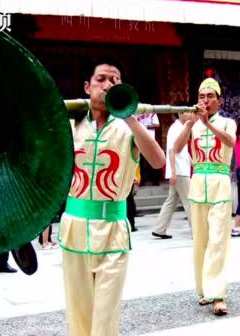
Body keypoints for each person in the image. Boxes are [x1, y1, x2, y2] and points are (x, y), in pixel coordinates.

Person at [57, 58, 165, 336]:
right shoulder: (68, 126)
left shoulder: (129, 128)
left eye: (115, 80)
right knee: (79, 314)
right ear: (87, 86)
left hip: (114, 232)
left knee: (105, 317)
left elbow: (157, 160)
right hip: (75, 230)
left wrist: (129, 114)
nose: (107, 85)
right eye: (101, 79)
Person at [173, 77, 235, 316]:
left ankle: (218, 293)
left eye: (210, 96)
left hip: (220, 184)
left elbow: (230, 141)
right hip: (198, 185)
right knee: (200, 239)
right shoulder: (193, 125)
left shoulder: (228, 123)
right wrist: (189, 125)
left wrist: (207, 123)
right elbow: (177, 149)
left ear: (219, 100)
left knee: (218, 240)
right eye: (201, 96)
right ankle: (203, 290)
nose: (205, 100)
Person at [152, 107, 193, 239]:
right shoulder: (176, 129)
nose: (190, 114)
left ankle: (159, 228)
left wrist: (193, 163)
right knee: (190, 201)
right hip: (179, 171)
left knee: (171, 201)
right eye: (188, 112)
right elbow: (171, 151)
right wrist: (174, 172)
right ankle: (197, 231)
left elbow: (183, 152)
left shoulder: (181, 128)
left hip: (181, 169)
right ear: (180, 113)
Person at [136, 111, 161, 186]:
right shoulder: (137, 114)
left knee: (152, 161)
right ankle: (142, 180)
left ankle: (155, 180)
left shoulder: (152, 114)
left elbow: (157, 124)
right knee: (141, 162)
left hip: (150, 140)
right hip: (140, 140)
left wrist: (147, 126)